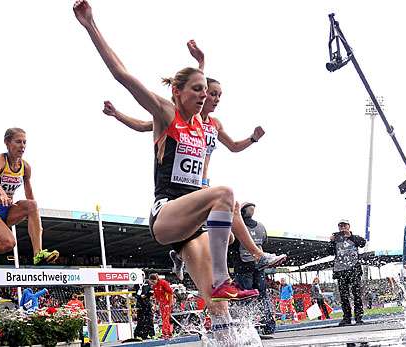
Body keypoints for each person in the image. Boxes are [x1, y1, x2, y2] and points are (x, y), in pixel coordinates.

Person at [101, 42, 285, 281]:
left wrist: (252, 138)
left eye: (214, 94)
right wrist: (117, 115)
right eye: (209, 93)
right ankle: (245, 262)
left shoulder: (208, 124)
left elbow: (233, 145)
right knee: (227, 198)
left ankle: (183, 257)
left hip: (197, 191)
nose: (211, 97)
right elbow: (135, 98)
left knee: (227, 234)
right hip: (172, 202)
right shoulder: (170, 116)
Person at [0, 128, 59, 267]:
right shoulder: (1, 159)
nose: (22, 146)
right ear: (7, 142)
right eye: (18, 142)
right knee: (9, 243)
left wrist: (34, 215)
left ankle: (38, 253)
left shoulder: (25, 167)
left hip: (8, 210)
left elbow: (29, 195)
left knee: (32, 205)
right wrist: (1, 193)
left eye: (24, 142)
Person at [230, 202, 276, 334]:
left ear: (241, 213)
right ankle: (268, 326)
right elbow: (264, 241)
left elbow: (230, 243)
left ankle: (247, 327)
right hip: (259, 266)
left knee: (245, 297)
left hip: (242, 266)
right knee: (262, 296)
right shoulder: (261, 227)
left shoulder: (238, 226)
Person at [330, 219, 366, 326]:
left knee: (356, 294)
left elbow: (363, 243)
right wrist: (331, 241)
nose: (343, 228)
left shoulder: (355, 238)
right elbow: (328, 251)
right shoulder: (336, 239)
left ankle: (359, 317)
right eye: (340, 226)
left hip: (354, 269)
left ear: (349, 226)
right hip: (340, 271)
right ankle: (347, 318)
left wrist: (350, 236)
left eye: (344, 226)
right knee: (344, 296)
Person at [149, 274, 174, 339]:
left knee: (165, 318)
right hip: (161, 304)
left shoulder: (163, 283)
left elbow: (170, 292)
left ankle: (165, 333)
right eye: (152, 282)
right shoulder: (154, 286)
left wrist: (170, 303)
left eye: (153, 282)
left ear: (156, 279)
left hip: (167, 303)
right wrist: (155, 304)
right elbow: (156, 296)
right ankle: (168, 333)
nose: (153, 283)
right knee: (164, 318)